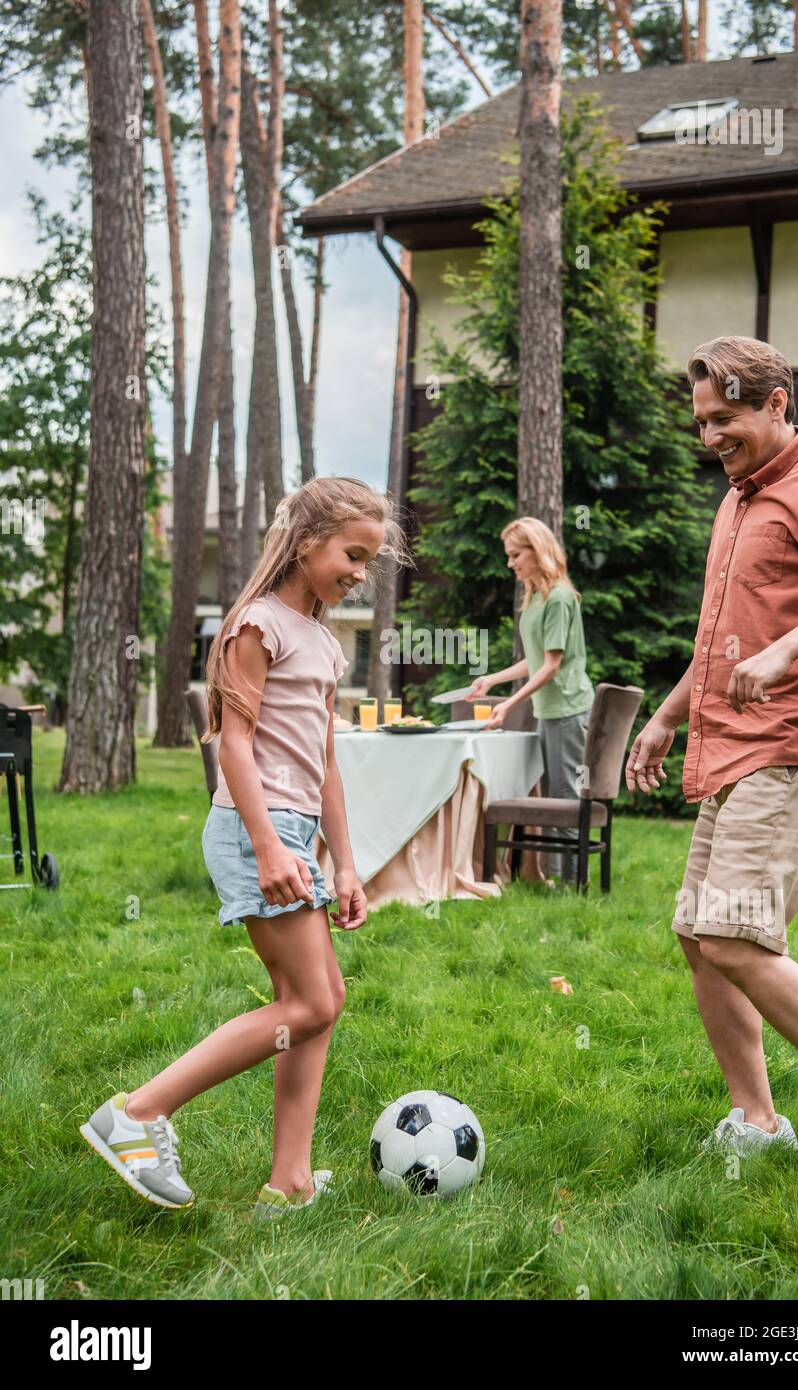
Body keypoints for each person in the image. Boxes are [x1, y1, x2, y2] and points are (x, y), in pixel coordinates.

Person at [80, 478, 411, 1219]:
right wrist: (267, 848)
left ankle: (288, 1181)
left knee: (320, 1003)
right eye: (351, 554)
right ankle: (137, 1114)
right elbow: (233, 744)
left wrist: (346, 859)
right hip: (250, 827)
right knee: (311, 1000)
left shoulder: (322, 640)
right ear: (304, 543)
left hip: (294, 833)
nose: (360, 571)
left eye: (370, 560)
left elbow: (325, 758)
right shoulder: (256, 625)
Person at [626, 335, 798, 1193]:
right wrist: (662, 720)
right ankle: (756, 1120)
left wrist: (788, 653)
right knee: (701, 937)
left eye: (723, 418)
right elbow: (723, 641)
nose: (708, 437)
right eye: (699, 422)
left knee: (733, 931)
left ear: (774, 404)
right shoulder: (737, 502)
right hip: (732, 746)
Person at [467, 516, 595, 884]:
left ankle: (573, 883)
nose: (510, 563)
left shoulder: (558, 598)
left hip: (569, 709)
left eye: (515, 555)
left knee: (564, 796)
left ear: (537, 551)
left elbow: (551, 667)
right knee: (552, 793)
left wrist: (509, 704)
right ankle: (554, 878)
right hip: (549, 711)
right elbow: (535, 659)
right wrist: (494, 679)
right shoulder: (536, 597)